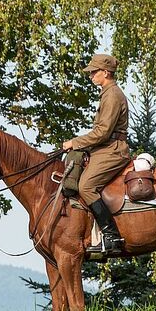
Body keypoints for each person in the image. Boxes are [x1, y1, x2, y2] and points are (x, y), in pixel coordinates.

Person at [63, 53, 131, 253]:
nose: (91, 75)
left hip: (113, 150)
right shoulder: (107, 93)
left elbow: (102, 132)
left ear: (106, 73)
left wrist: (75, 143)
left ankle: (112, 236)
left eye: (94, 72)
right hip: (105, 148)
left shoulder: (112, 95)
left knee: (86, 186)